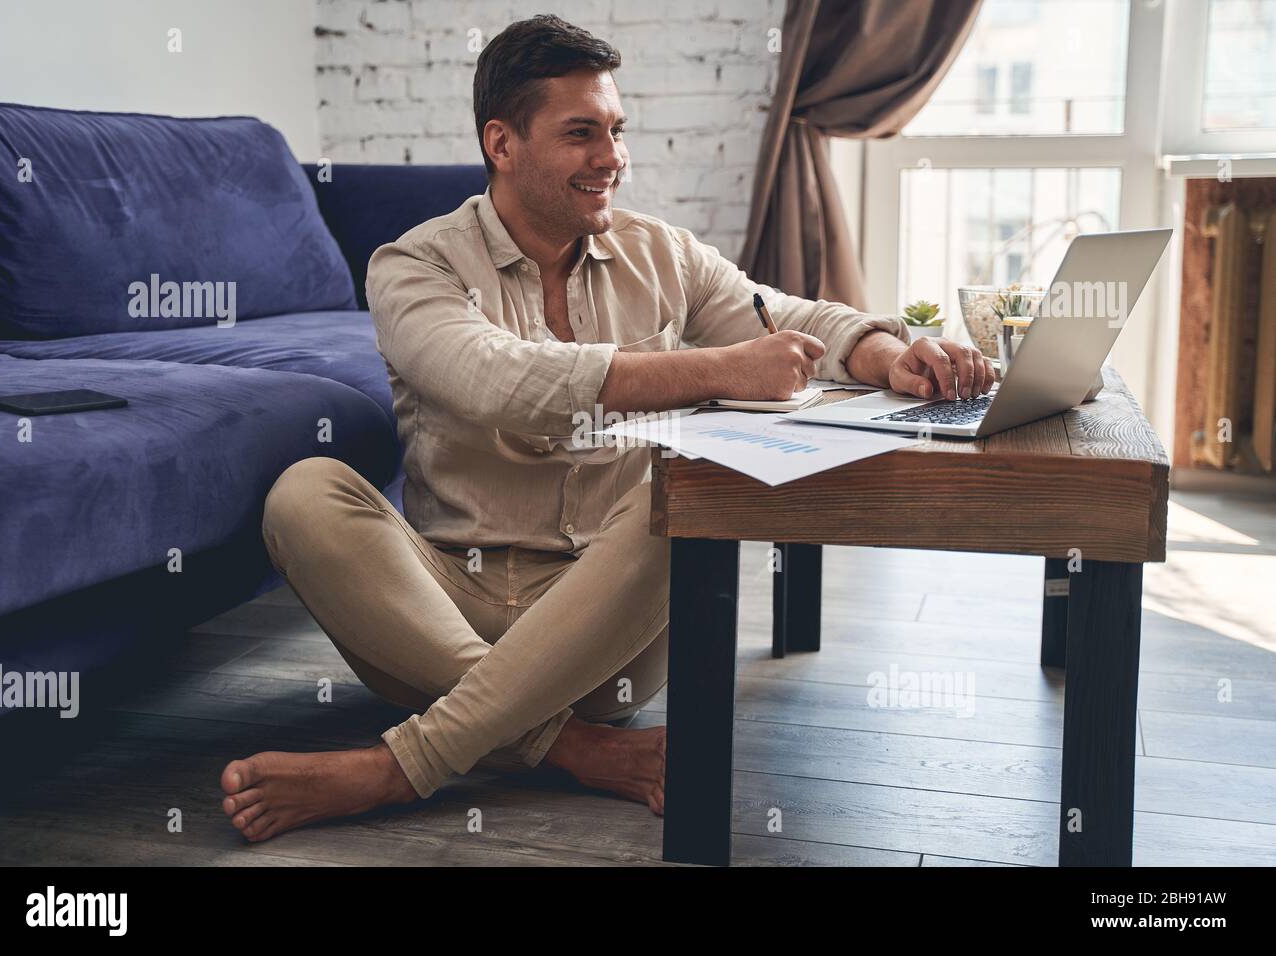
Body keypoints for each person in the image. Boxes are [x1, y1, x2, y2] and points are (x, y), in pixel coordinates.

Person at [219, 14, 992, 843]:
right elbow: (500, 381)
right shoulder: (414, 265)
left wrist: (886, 353)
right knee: (304, 496)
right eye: (581, 133)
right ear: (502, 143)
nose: (612, 158)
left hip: (605, 633)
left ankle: (399, 766)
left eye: (616, 131)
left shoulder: (663, 252)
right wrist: (718, 369)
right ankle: (573, 750)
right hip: (443, 611)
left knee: (690, 489)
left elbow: (783, 313)